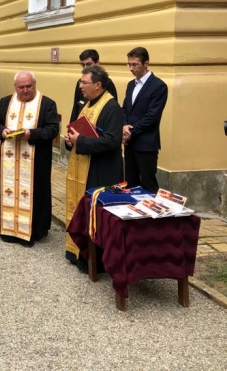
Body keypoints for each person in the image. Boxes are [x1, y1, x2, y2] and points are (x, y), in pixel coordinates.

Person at [0, 71, 59, 247]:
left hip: (36, 161)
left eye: (29, 86)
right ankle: (7, 228)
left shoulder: (47, 104)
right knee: (8, 190)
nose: (26, 90)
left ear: (35, 84)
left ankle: (34, 230)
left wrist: (31, 134)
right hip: (10, 160)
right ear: (15, 87)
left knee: (35, 193)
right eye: (21, 87)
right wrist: (2, 131)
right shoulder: (6, 102)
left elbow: (52, 130)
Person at [64, 65, 123, 265]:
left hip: (101, 170)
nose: (80, 86)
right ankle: (78, 252)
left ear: (98, 85)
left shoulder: (112, 107)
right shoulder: (88, 104)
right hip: (85, 165)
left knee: (96, 215)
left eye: (84, 82)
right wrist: (71, 139)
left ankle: (94, 260)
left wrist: (80, 140)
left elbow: (112, 141)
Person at [121, 47, 168, 194]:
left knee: (148, 185)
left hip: (146, 144)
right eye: (129, 64)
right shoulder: (130, 85)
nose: (131, 68)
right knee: (130, 184)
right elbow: (125, 109)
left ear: (146, 63)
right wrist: (123, 126)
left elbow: (152, 116)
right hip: (130, 144)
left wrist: (131, 132)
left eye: (135, 65)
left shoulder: (158, 86)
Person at [69, 49, 118, 123]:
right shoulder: (79, 82)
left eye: (88, 64)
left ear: (97, 63)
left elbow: (112, 109)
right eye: (83, 65)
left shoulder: (108, 82)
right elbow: (76, 107)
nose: (85, 68)